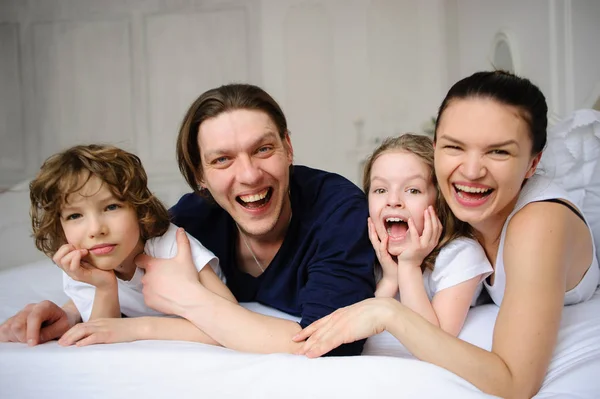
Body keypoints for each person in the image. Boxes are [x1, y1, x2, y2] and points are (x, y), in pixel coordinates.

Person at [0, 84, 376, 356]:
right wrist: (67, 314)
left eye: (263, 149)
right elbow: (127, 263)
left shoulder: (338, 212)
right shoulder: (193, 218)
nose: (248, 175)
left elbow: (328, 346)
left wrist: (181, 304)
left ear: (288, 148)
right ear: (200, 175)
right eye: (221, 159)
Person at [292, 71, 600, 398]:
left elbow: (514, 383)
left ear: (532, 163)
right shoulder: (441, 205)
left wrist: (386, 313)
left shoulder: (539, 223)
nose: (471, 171)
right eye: (454, 147)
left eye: (499, 152)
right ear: (435, 148)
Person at [21, 144, 236, 347]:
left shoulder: (171, 245)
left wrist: (136, 328)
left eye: (111, 207)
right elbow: (103, 332)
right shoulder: (80, 266)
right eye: (75, 215)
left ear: (139, 210)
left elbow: (232, 323)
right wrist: (105, 287)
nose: (95, 229)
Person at [365, 134, 492, 336]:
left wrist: (408, 266)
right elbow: (361, 325)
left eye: (413, 190)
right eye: (380, 189)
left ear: (439, 201)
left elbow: (433, 339)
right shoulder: (369, 253)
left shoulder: (462, 255)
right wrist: (390, 279)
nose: (393, 200)